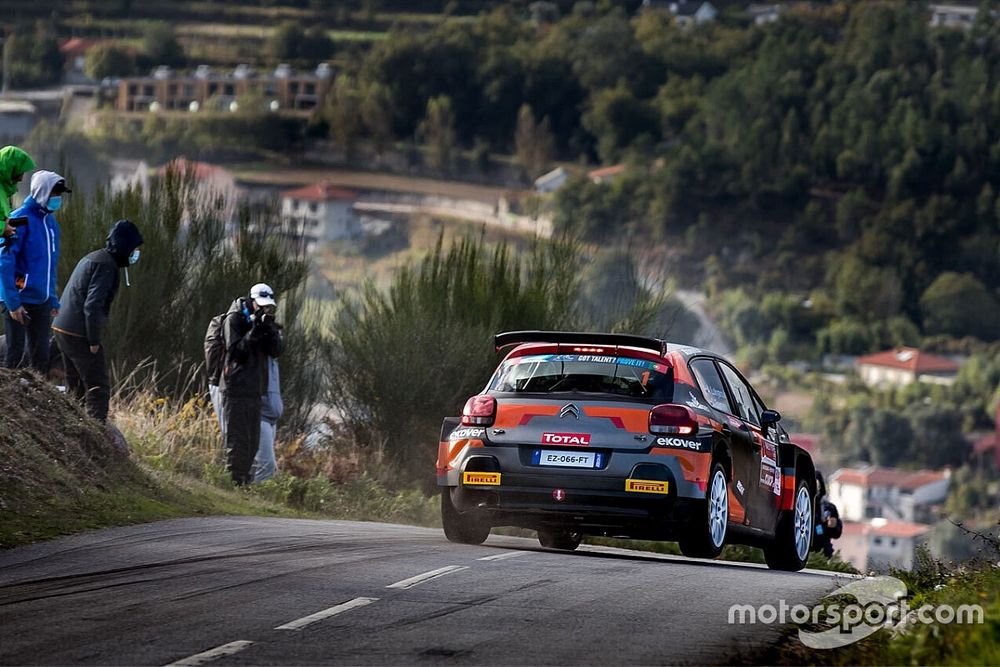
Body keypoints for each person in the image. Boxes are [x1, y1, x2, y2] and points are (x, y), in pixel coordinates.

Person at [52, 220, 143, 422]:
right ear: (125, 246)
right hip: (79, 332)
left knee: (75, 386)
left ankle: (72, 428)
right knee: (98, 388)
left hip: (61, 327)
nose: (136, 252)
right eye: (134, 248)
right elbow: (92, 306)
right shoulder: (106, 266)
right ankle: (95, 439)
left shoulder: (93, 257)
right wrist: (93, 340)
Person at [0, 171, 70, 372]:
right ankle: (9, 402)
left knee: (41, 358)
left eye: (59, 195)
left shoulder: (51, 224)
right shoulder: (18, 219)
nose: (57, 199)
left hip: (42, 301)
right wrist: (13, 303)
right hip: (17, 299)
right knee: (15, 354)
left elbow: (50, 266)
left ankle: (37, 401)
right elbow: (4, 263)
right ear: (42, 192)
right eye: (54, 194)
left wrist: (53, 299)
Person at [220, 283, 283, 485]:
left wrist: (269, 331)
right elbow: (236, 351)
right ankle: (235, 483)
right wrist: (253, 332)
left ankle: (245, 483)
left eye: (267, 306)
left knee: (252, 442)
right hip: (236, 389)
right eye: (261, 305)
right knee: (238, 441)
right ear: (251, 300)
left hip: (256, 391)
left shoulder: (263, 321)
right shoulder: (235, 319)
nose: (264, 309)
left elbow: (276, 351)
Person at [0, 146, 36, 245]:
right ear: (10, 169)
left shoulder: (3, 192)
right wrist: (3, 228)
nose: (21, 178)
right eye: (20, 172)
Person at [812, 471, 843, 558]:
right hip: (802, 552)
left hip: (823, 554)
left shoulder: (829, 507)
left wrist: (834, 526)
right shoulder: (799, 505)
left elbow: (837, 534)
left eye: (817, 485)